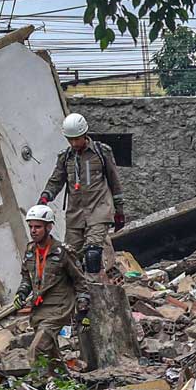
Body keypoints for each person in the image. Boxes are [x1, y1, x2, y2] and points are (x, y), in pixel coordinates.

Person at [39, 113, 124, 277]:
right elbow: (56, 181)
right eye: (70, 139)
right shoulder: (66, 158)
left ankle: (94, 292)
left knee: (93, 254)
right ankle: (76, 296)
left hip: (99, 211)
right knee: (70, 258)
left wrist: (119, 211)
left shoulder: (101, 152)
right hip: (75, 215)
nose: (73, 143)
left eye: (77, 139)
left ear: (84, 135)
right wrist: (45, 198)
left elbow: (115, 182)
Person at [13, 204, 90, 370]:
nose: (33, 231)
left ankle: (40, 386)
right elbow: (27, 278)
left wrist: (83, 308)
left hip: (59, 308)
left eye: (38, 227)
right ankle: (63, 382)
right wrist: (21, 293)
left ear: (49, 227)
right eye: (31, 227)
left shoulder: (63, 252)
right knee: (50, 350)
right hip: (38, 309)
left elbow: (80, 280)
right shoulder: (30, 251)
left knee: (37, 349)